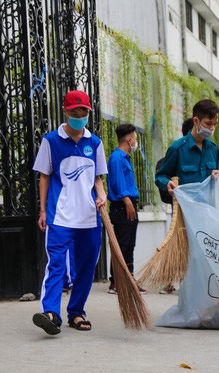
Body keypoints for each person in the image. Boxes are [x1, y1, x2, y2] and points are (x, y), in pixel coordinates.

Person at [32, 90, 107, 335]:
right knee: (55, 264)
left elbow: (96, 178)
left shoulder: (94, 143)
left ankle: (76, 312)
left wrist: (102, 196)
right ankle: (51, 312)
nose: (79, 116)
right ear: (66, 111)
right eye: (75, 112)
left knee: (86, 267)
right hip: (60, 216)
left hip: (88, 218)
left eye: (83, 112)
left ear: (88, 113)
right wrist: (43, 211)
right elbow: (44, 176)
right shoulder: (51, 141)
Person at [155, 99, 219, 294]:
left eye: (214, 124)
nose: (211, 128)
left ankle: (207, 300)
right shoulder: (178, 149)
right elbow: (160, 175)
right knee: (188, 260)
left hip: (207, 215)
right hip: (184, 217)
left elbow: (215, 175)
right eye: (208, 124)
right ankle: (190, 300)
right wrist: (166, 183)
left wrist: (217, 175)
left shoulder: (213, 150)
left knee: (206, 260)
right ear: (196, 120)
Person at [106, 124, 146, 295]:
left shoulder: (125, 158)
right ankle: (116, 282)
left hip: (129, 205)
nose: (136, 142)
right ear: (129, 140)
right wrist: (127, 201)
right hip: (123, 206)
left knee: (129, 245)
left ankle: (128, 279)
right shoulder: (117, 158)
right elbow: (117, 182)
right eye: (135, 139)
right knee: (122, 244)